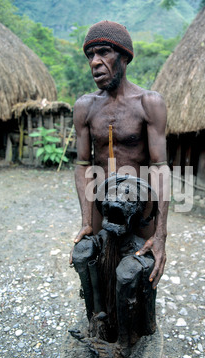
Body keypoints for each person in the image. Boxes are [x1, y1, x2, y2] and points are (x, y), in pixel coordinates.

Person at [70, 20, 169, 290]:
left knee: (140, 274)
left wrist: (161, 234)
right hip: (102, 204)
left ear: (124, 56)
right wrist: (87, 220)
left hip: (140, 208)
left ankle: (139, 330)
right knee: (97, 268)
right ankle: (100, 325)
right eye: (91, 55)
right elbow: (82, 164)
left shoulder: (149, 103)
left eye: (104, 52)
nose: (95, 62)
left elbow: (160, 167)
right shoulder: (85, 106)